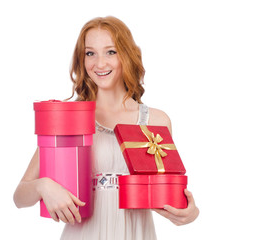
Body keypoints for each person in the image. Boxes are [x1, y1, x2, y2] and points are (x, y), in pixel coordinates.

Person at [13, 16, 199, 240]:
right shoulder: (68, 117)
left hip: (136, 234)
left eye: (111, 52)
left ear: (127, 55)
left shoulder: (157, 121)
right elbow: (19, 197)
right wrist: (43, 186)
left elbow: (169, 191)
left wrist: (191, 212)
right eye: (90, 53)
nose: (99, 63)